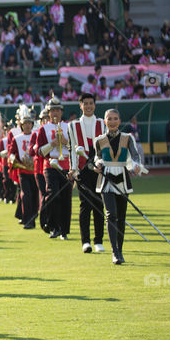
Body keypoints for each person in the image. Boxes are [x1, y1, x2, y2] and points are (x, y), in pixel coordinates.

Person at [94, 108, 148, 265]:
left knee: (121, 218)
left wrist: (136, 166)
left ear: (119, 121)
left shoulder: (127, 137)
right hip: (105, 180)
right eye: (109, 119)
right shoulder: (99, 139)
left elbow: (135, 156)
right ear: (105, 121)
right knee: (111, 215)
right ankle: (114, 252)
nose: (112, 121)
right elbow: (97, 157)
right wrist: (98, 165)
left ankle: (120, 249)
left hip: (123, 179)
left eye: (115, 118)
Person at [69, 94, 105, 254]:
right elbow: (71, 150)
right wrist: (73, 168)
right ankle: (86, 241)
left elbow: (106, 148)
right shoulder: (73, 125)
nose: (89, 106)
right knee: (85, 205)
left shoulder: (102, 124)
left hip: (99, 169)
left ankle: (99, 240)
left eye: (91, 103)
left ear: (95, 105)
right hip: (82, 169)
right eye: (86, 103)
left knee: (99, 203)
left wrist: (103, 165)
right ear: (80, 105)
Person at [35, 96, 72, 240]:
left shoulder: (68, 127)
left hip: (66, 165)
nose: (55, 113)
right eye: (52, 110)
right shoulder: (43, 129)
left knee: (66, 198)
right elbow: (39, 152)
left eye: (57, 110)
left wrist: (65, 142)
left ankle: (64, 230)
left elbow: (75, 149)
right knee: (53, 195)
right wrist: (53, 144)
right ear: (48, 113)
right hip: (50, 165)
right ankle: (54, 226)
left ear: (61, 112)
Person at [7, 105, 38, 229]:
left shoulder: (35, 136)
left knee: (35, 196)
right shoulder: (16, 138)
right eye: (25, 123)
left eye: (29, 123)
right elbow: (11, 155)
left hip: (35, 171)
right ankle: (27, 220)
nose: (27, 125)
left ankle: (33, 217)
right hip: (23, 171)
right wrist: (18, 162)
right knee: (26, 195)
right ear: (21, 125)